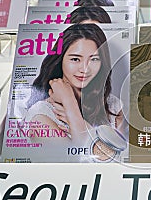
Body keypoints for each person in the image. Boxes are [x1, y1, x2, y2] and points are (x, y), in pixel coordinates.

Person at [25, 24, 125, 160]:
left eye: (94, 59)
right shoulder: (41, 116)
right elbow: (79, 162)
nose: (85, 69)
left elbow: (124, 160)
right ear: (60, 60)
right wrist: (69, 101)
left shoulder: (112, 105)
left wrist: (72, 113)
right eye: (75, 59)